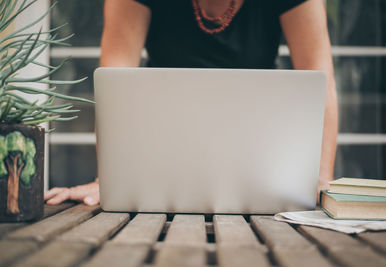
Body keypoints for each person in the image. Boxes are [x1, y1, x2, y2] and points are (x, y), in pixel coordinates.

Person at [44, 0, 338, 206]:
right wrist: (107, 181)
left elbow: (321, 83)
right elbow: (114, 90)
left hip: (261, 161)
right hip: (161, 161)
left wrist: (321, 180)